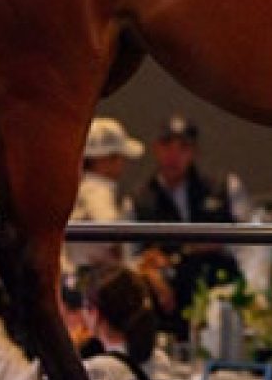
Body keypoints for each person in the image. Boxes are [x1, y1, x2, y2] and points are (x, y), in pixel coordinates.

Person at [128, 113, 239, 337]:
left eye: (183, 147)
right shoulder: (139, 199)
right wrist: (149, 271)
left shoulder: (222, 187)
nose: (174, 155)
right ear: (156, 149)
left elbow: (249, 245)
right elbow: (130, 257)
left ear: (195, 152)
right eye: (167, 145)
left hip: (218, 295)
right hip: (167, 304)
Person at [66, 116, 143, 282]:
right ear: (104, 159)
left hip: (81, 276)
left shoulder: (79, 188)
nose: (121, 164)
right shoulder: (97, 190)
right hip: (94, 280)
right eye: (117, 157)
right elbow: (110, 234)